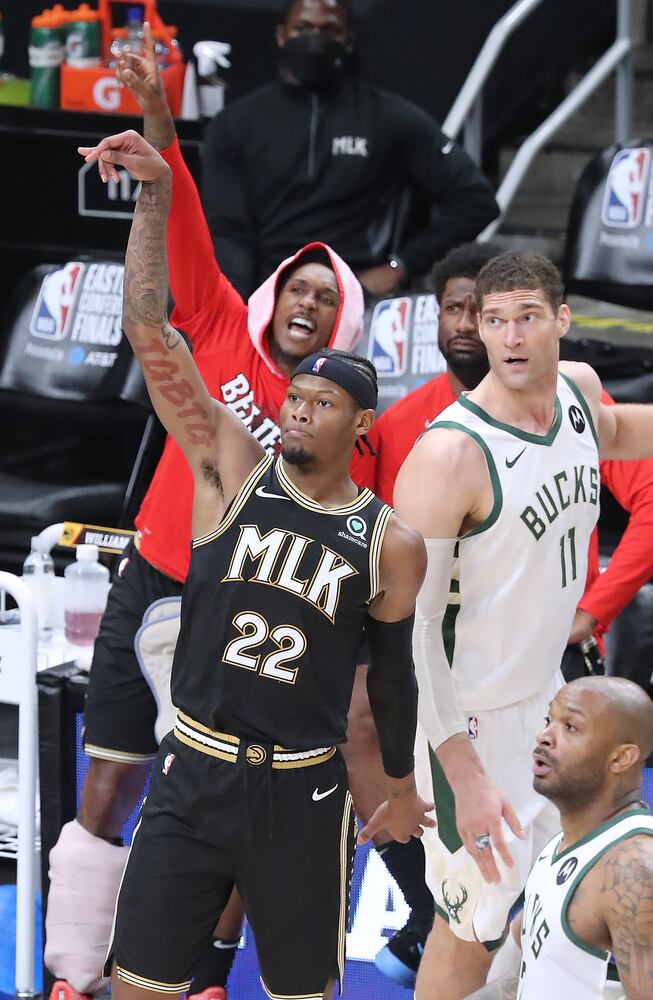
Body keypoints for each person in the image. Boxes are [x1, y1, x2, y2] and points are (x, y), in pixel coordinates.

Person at [43, 39, 371, 1000]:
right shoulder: (221, 323)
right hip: (158, 573)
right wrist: (157, 116)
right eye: (299, 287)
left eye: (328, 297)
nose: (309, 302)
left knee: (225, 796)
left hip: (249, 610)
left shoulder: (348, 427)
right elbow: (173, 201)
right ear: (274, 295)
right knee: (111, 776)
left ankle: (203, 978)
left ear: (345, 322)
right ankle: (73, 970)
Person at [77, 126, 434, 1000]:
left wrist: (395, 782)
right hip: (196, 769)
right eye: (296, 396)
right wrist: (154, 196)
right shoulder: (230, 471)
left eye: (323, 402)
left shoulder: (388, 538)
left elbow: (389, 679)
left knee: (301, 992)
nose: (300, 410)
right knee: (138, 987)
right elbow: (147, 328)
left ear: (361, 425)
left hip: (303, 790)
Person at [347, 241, 653, 988]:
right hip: (466, 721)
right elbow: (409, 632)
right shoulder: (450, 456)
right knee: (466, 930)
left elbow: (616, 435)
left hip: (543, 695)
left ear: (562, 321)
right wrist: (464, 774)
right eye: (494, 320)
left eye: (527, 317)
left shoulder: (577, 392)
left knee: (556, 885)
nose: (511, 337)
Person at [201, 0, 499, 298]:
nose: (315, 39)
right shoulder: (235, 124)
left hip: (355, 293)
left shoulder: (388, 117)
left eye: (328, 30)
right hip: (265, 290)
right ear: (281, 35)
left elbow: (476, 200)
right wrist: (236, 303)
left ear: (348, 41)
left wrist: (400, 266)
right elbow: (227, 228)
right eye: (303, 28)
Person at [466, 675, 653, 999]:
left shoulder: (633, 866)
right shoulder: (563, 844)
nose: (544, 736)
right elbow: (531, 973)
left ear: (621, 758)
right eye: (548, 720)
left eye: (570, 727)